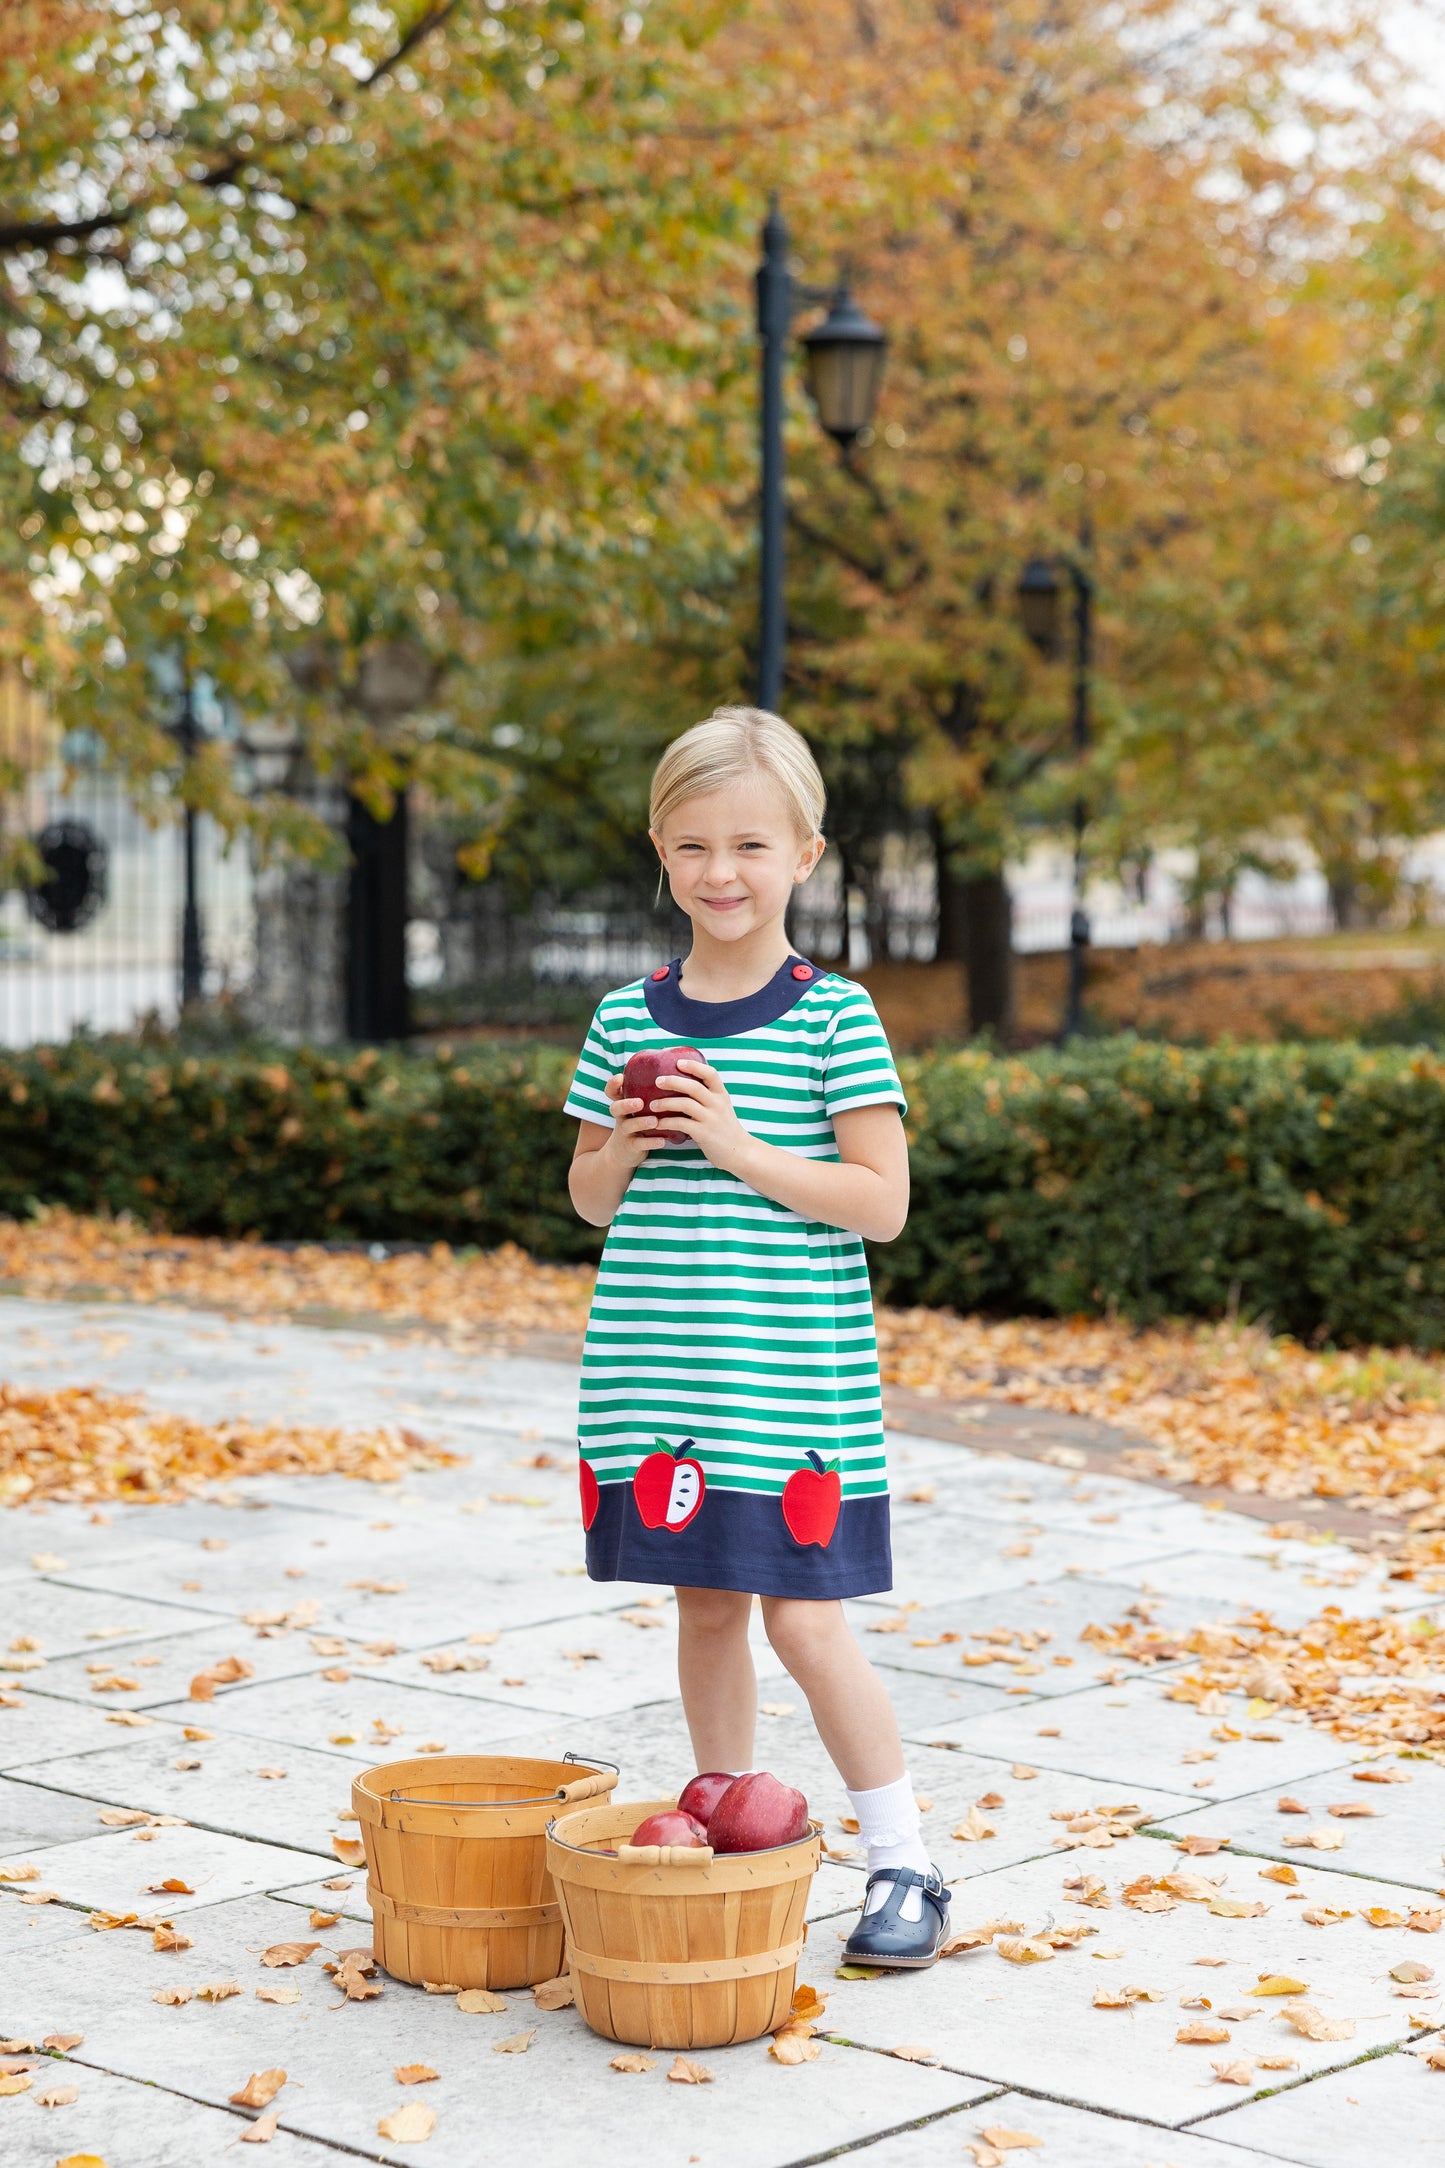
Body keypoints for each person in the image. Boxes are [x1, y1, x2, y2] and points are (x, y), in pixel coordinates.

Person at [562, 704, 949, 1968]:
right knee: (707, 1606)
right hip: (659, 1369)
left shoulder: (831, 1016)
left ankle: (907, 1860)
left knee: (803, 1619)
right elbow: (586, 1192)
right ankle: (729, 1823)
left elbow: (879, 1202)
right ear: (660, 854)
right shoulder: (627, 1017)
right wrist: (626, 1142)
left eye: (746, 845)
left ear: (805, 856)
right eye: (689, 847)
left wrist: (735, 1145)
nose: (718, 873)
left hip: (785, 1375)